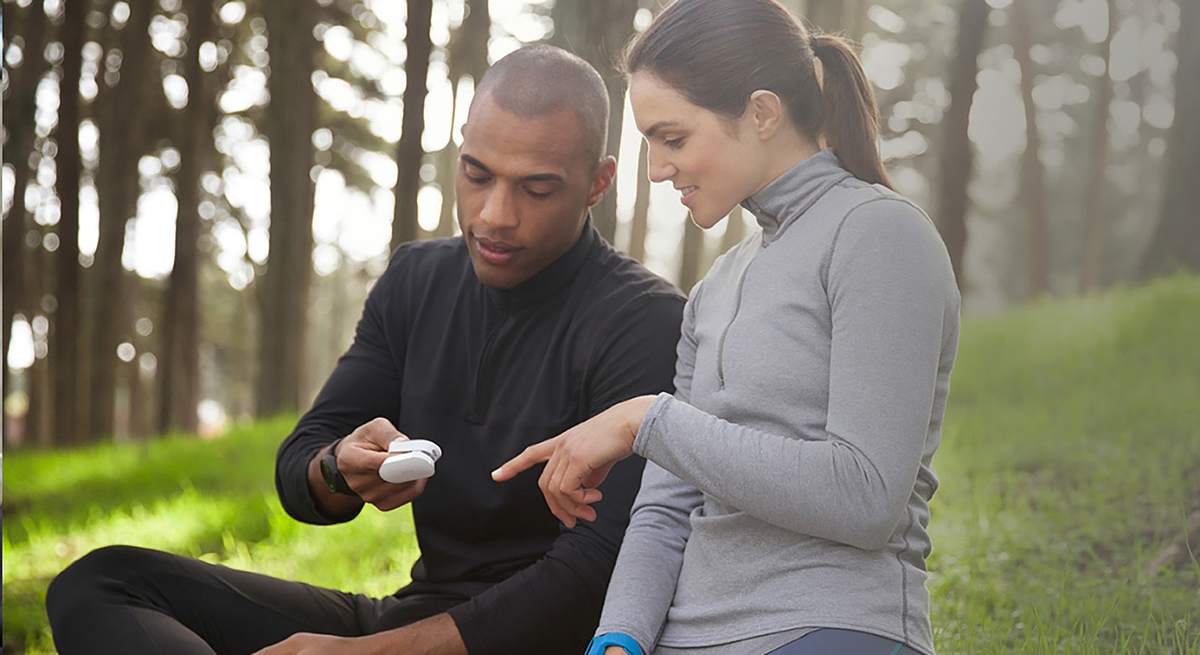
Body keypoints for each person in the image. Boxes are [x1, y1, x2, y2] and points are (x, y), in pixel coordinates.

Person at [45, 45, 686, 655]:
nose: (494, 215)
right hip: (409, 618)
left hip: (534, 639)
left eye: (536, 189)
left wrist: (379, 652)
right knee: (102, 582)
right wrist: (336, 470)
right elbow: (302, 460)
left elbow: (599, 572)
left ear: (598, 183)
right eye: (477, 174)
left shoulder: (647, 322)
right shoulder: (416, 280)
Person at [493, 2, 961, 654]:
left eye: (673, 138)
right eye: (650, 142)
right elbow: (663, 510)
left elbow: (866, 496)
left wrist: (647, 420)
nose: (657, 167)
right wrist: (619, 634)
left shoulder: (880, 235)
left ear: (762, 113)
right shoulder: (715, 289)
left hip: (831, 625)